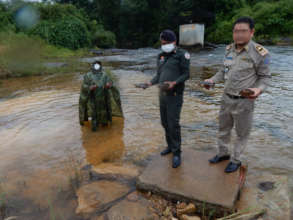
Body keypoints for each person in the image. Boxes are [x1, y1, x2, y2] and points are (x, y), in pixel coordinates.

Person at [205, 17, 271, 173]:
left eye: (243, 31)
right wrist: (212, 80)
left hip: (245, 101)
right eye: (236, 31)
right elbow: (223, 71)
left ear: (252, 32)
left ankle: (235, 159)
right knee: (223, 129)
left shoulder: (261, 53)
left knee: (242, 133)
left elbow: (265, 77)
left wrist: (258, 90)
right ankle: (223, 154)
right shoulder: (229, 50)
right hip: (226, 98)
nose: (239, 34)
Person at [145, 29, 190, 168]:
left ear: (174, 42)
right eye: (162, 43)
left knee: (173, 124)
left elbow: (186, 74)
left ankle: (177, 153)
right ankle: (170, 147)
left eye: (167, 42)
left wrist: (174, 83)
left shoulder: (182, 55)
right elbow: (159, 75)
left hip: (175, 95)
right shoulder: (160, 56)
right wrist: (149, 83)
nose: (164, 45)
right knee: (164, 123)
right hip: (162, 95)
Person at [79, 61, 123, 131]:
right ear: (92, 66)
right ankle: (95, 131)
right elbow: (84, 86)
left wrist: (109, 85)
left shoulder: (104, 75)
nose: (97, 67)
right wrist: (90, 87)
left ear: (100, 66)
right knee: (94, 114)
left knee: (104, 113)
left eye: (98, 65)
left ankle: (105, 129)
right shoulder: (88, 75)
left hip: (104, 98)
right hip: (93, 98)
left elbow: (111, 82)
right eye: (95, 65)